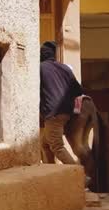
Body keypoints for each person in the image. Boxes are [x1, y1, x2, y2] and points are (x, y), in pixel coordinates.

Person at [39, 41, 96, 184]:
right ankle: (51, 174)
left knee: (57, 146)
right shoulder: (64, 68)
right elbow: (78, 90)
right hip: (67, 113)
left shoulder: (40, 68)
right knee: (45, 143)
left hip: (53, 113)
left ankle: (80, 176)